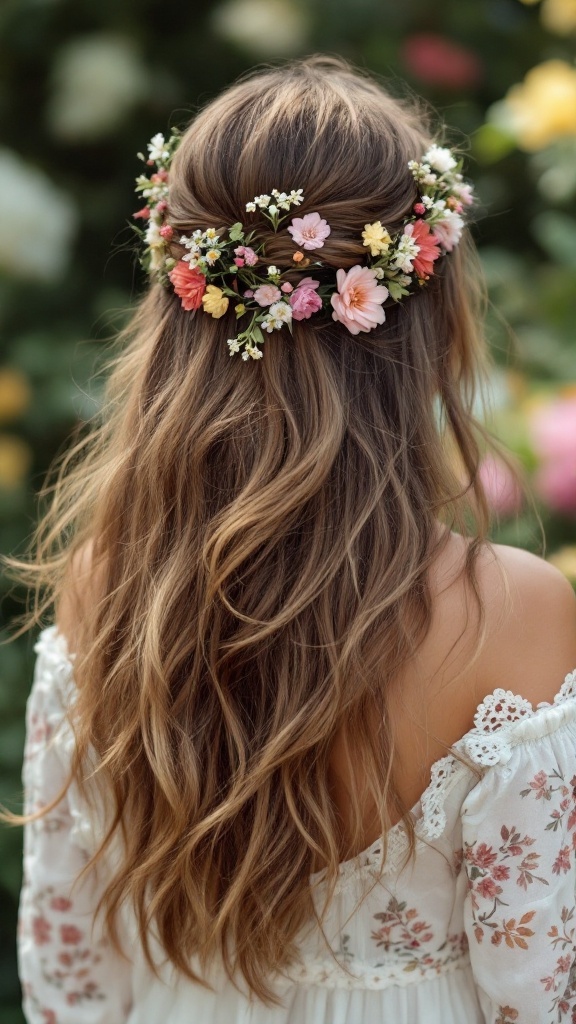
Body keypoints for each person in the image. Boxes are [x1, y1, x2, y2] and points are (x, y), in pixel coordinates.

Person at [9, 55, 576, 1024]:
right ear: (436, 318)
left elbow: (71, 971)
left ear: (178, 309)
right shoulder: (511, 610)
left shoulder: (107, 583)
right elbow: (538, 992)